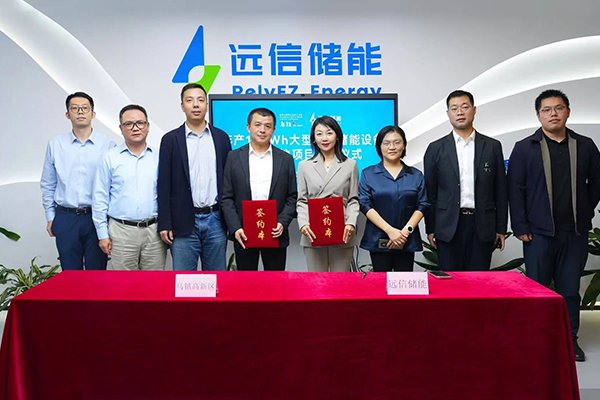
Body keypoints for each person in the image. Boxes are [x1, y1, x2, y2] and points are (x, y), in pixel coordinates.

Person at [507, 89, 600, 362]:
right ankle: (537, 340)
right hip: (538, 234)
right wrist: (521, 225)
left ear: (568, 112)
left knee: (569, 290)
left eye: (558, 108)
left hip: (574, 233)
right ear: (538, 115)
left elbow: (597, 182)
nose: (553, 114)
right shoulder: (524, 148)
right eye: (546, 110)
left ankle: (569, 341)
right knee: (538, 290)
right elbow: (515, 189)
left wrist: (585, 210)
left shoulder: (585, 145)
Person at [423, 90, 507, 271]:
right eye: (454, 108)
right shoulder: (435, 148)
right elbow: (430, 193)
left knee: (478, 281)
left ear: (474, 110)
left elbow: (500, 190)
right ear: (448, 114)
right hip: (448, 225)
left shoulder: (492, 146)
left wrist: (501, 228)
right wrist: (430, 228)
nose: (459, 112)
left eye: (464, 107)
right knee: (450, 282)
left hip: (482, 225)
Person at [157, 83, 232, 271]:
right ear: (182, 106)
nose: (196, 105)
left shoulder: (221, 138)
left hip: (216, 220)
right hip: (182, 221)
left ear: (206, 105)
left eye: (200, 100)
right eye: (189, 100)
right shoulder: (170, 140)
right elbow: (163, 184)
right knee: (184, 281)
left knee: (216, 280)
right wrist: (165, 223)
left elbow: (229, 182)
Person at [40, 92, 114, 270]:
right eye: (75, 108)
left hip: (96, 217)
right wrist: (51, 216)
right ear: (68, 114)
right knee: (70, 274)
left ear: (93, 114)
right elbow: (48, 183)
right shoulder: (55, 144)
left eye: (85, 108)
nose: (80, 112)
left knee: (97, 273)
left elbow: (113, 185)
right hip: (66, 217)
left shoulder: (108, 145)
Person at [221, 108, 297, 271]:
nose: (262, 130)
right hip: (244, 233)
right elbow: (226, 197)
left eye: (268, 126)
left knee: (275, 282)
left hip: (275, 232)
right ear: (248, 127)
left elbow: (292, 197)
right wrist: (235, 228)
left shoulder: (286, 159)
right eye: (258, 125)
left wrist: (282, 223)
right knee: (247, 283)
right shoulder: (233, 157)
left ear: (274, 130)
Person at [92, 104, 166, 270]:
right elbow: (99, 198)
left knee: (154, 283)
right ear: (121, 128)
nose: (135, 128)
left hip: (154, 232)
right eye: (129, 124)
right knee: (123, 284)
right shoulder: (110, 157)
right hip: (121, 232)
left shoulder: (159, 157)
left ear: (148, 126)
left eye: (140, 123)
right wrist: (102, 234)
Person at [359, 126, 429, 271]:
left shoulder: (416, 175)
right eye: (386, 143)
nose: (392, 147)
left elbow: (423, 204)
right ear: (379, 146)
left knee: (404, 283)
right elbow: (365, 204)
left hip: (406, 239)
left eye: (397, 142)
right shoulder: (368, 174)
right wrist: (390, 231)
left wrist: (404, 232)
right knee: (381, 282)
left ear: (404, 146)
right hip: (378, 238)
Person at [296, 116, 359, 272]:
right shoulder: (304, 166)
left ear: (337, 136)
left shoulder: (350, 165)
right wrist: (303, 224)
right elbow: (302, 201)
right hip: (313, 231)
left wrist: (351, 223)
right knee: (317, 282)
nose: (324, 138)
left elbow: (353, 199)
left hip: (342, 230)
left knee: (340, 282)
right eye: (319, 134)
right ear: (313, 139)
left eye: (329, 133)